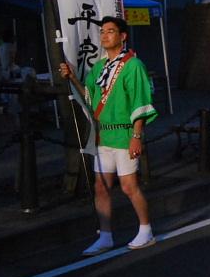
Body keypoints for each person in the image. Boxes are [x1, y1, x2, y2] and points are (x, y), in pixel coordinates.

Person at [59, 16, 158, 256]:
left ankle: (146, 230)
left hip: (125, 134)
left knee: (128, 186)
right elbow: (91, 99)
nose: (104, 36)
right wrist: (72, 77)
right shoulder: (100, 67)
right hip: (103, 135)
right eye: (102, 32)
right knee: (101, 187)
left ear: (123, 36)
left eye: (110, 31)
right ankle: (105, 235)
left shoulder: (134, 65)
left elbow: (141, 101)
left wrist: (137, 135)